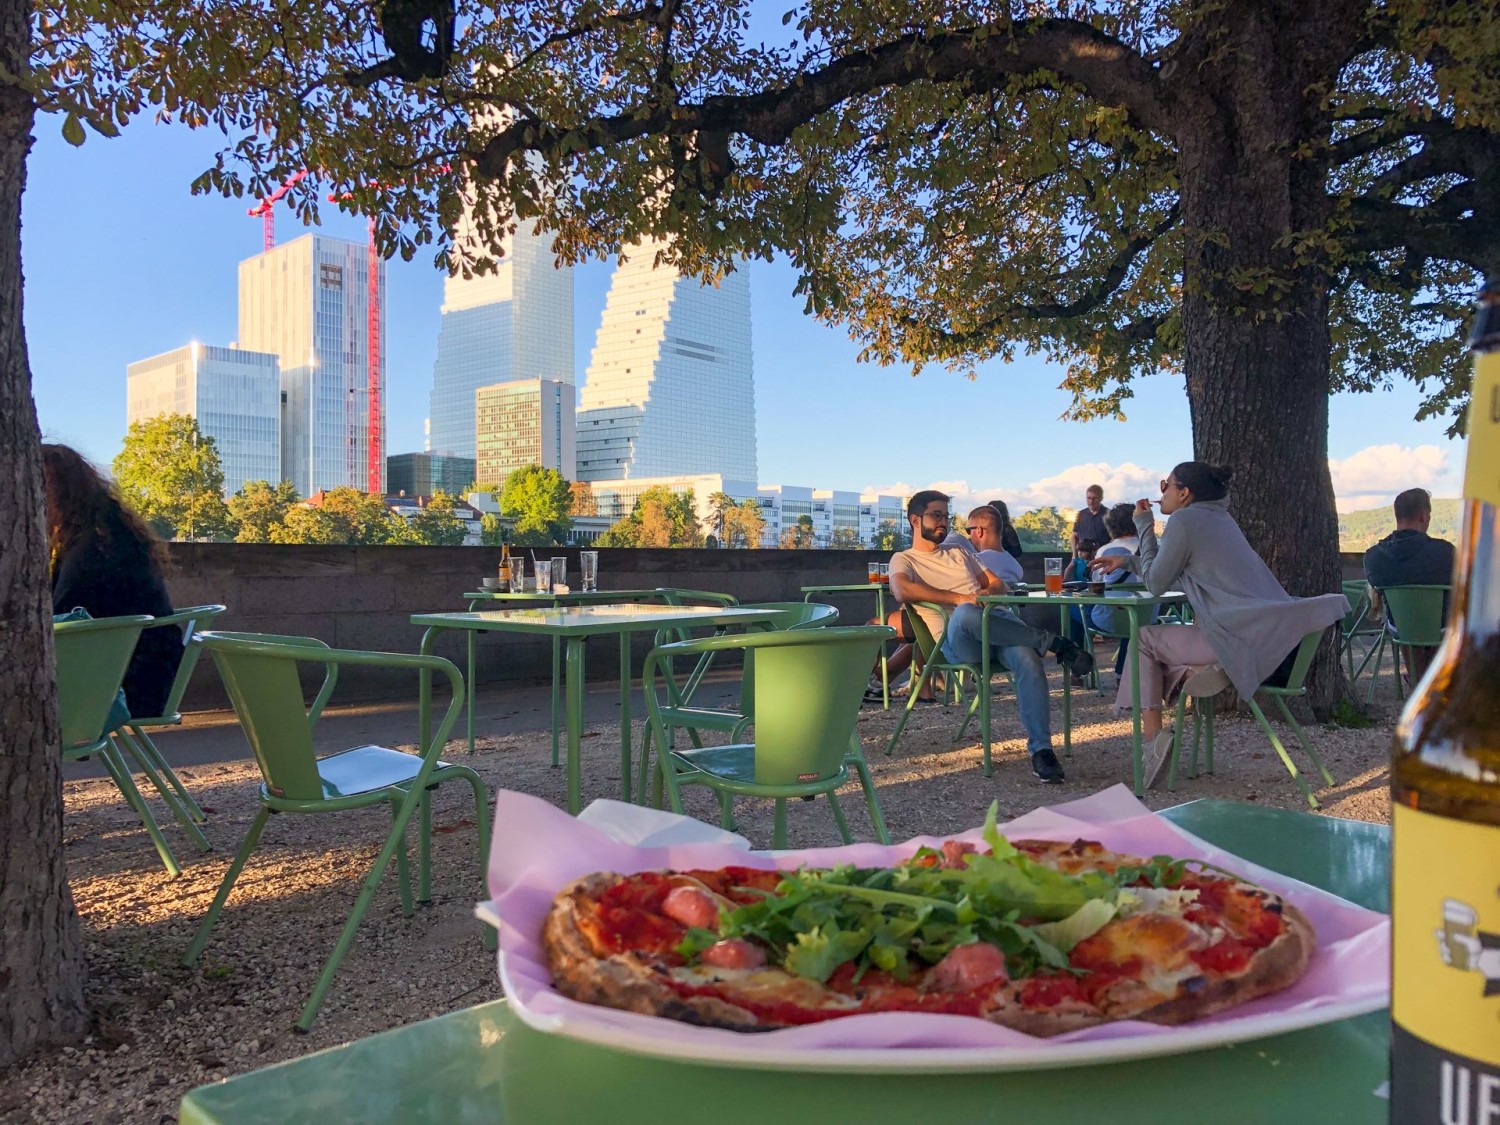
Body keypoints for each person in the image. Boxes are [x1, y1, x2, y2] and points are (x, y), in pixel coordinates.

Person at [1092, 462, 1347, 788]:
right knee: (1168, 657)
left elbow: (1157, 583)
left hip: (1232, 640)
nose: (1162, 493)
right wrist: (1128, 561)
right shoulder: (1219, 519)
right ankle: (1196, 673)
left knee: (1143, 638)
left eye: (1165, 485)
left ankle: (1154, 739)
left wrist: (1143, 524)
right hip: (1258, 639)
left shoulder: (1184, 520)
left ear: (1183, 493)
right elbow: (1190, 579)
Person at [889, 490, 1095, 784]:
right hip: (959, 642)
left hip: (997, 627)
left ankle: (1042, 751)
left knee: (1026, 658)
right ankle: (1051, 642)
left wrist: (985, 593)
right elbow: (902, 591)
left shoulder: (960, 553)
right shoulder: (904, 559)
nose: (943, 522)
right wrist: (959, 598)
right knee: (964, 614)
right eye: (936, 515)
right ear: (914, 519)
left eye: (946, 516)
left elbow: (997, 584)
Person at [43, 443, 183, 718]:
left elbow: (58, 626)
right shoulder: (107, 535)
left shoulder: (92, 550)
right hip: (148, 673)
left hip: (126, 687)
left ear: (63, 494)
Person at [1362, 487, 1456, 682]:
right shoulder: (1445, 552)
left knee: (1406, 621)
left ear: (1397, 515)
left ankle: (1419, 678)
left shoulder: (1373, 557)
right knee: (1445, 619)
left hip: (1400, 630)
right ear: (1424, 515)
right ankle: (1433, 681)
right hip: (1441, 629)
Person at [1090, 503, 1149, 677]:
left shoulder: (1103, 551)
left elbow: (1096, 586)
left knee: (1073, 612)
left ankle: (1079, 672)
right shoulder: (1151, 549)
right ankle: (1123, 672)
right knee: (1130, 613)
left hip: (1109, 620)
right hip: (1146, 616)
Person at [1072, 484, 1108, 551]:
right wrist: (1074, 557)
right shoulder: (1080, 515)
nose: (1091, 501)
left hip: (1103, 558)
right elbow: (1075, 535)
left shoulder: (1109, 514)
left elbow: (1115, 538)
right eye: (1089, 498)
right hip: (1083, 559)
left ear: (1101, 498)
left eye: (1094, 498)